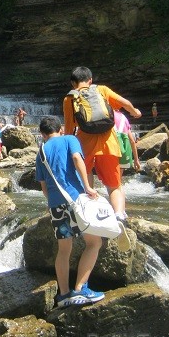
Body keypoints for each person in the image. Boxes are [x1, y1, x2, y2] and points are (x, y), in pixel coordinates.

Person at [35, 116, 104, 306]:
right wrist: (88, 187)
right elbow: (76, 158)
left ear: (42, 135)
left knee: (64, 250)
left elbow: (43, 186)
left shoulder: (41, 152)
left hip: (56, 204)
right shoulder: (70, 139)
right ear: (61, 129)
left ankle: (64, 295)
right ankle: (81, 289)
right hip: (76, 200)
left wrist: (53, 204)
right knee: (94, 242)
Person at [63, 66, 141, 221]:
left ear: (73, 83)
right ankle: (119, 215)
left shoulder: (69, 99)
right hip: (109, 144)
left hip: (84, 145)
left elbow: (69, 128)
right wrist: (135, 112)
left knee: (87, 182)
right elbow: (125, 103)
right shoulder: (102, 90)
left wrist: (68, 149)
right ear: (90, 80)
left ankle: (89, 214)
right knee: (115, 186)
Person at [114, 109, 140, 173]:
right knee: (119, 178)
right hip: (122, 151)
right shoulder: (123, 118)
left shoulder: (108, 115)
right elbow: (132, 141)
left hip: (111, 151)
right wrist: (136, 160)